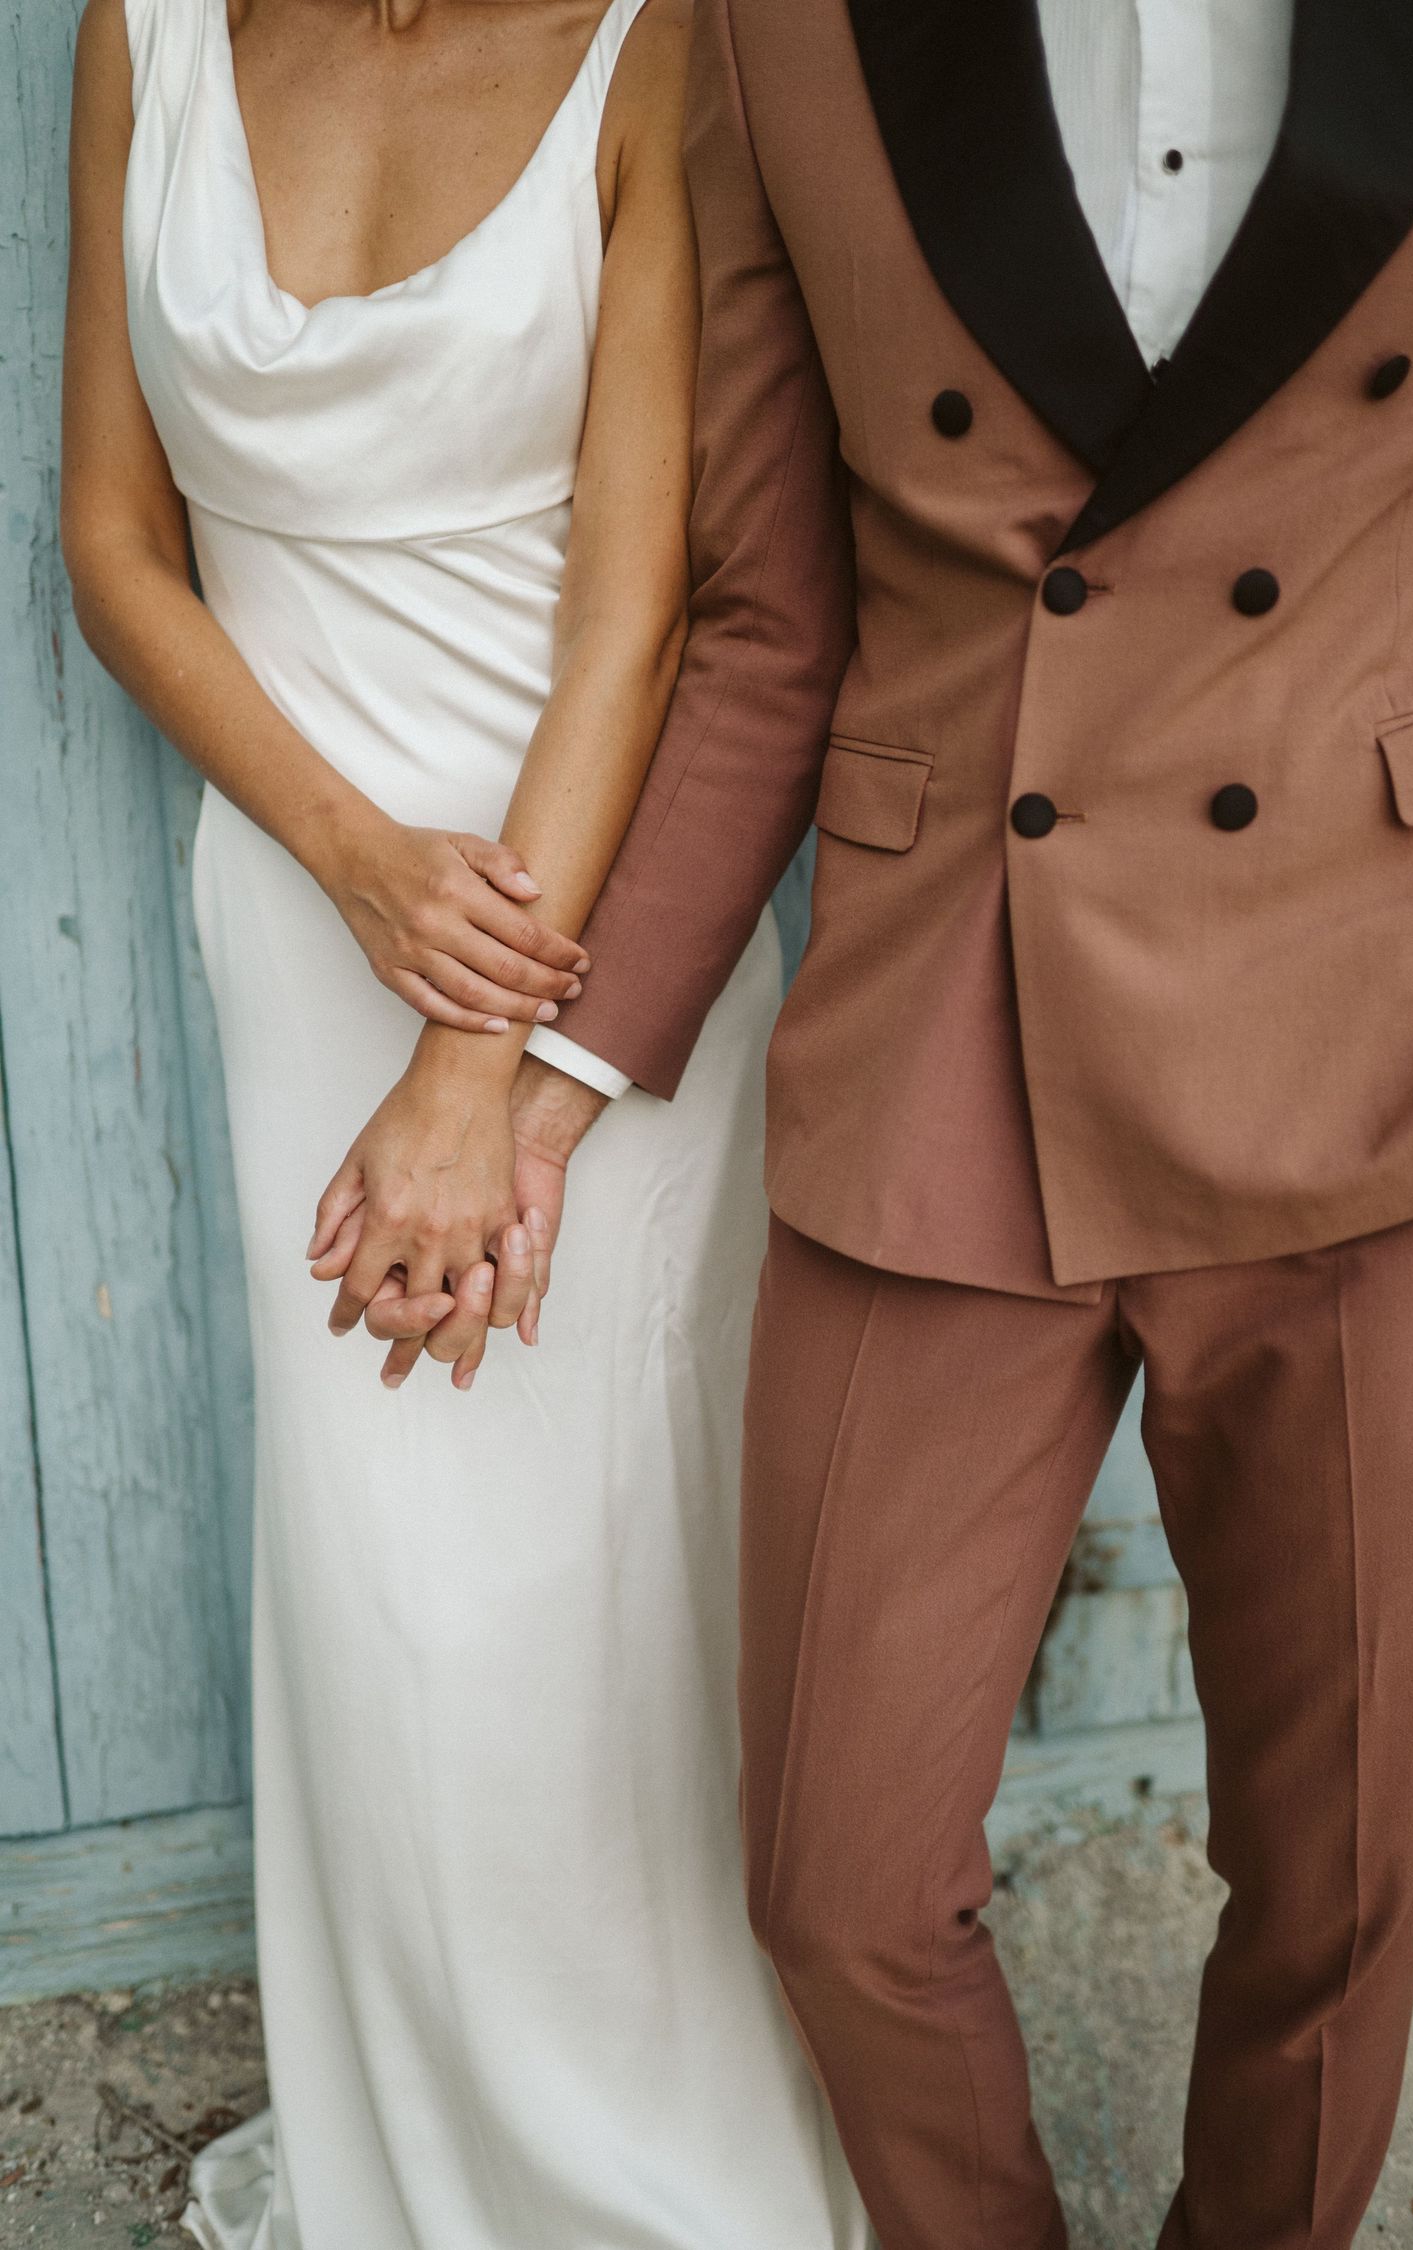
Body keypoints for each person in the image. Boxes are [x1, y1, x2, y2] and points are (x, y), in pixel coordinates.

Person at [373, 0, 1413, 2244]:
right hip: (948, 1023)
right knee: (836, 1874)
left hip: (1380, 1011)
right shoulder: (771, 25)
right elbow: (769, 614)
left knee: (1340, 1876)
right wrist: (543, 1072)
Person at [60, 1, 871, 2245]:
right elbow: (117, 539)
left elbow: (637, 616)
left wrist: (483, 1051)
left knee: (592, 1606)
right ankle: (421, 2173)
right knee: (381, 1590)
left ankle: (666, 2182)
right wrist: (354, 865)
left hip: (585, 929)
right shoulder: (148, 31)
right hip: (307, 917)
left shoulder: (656, 42)